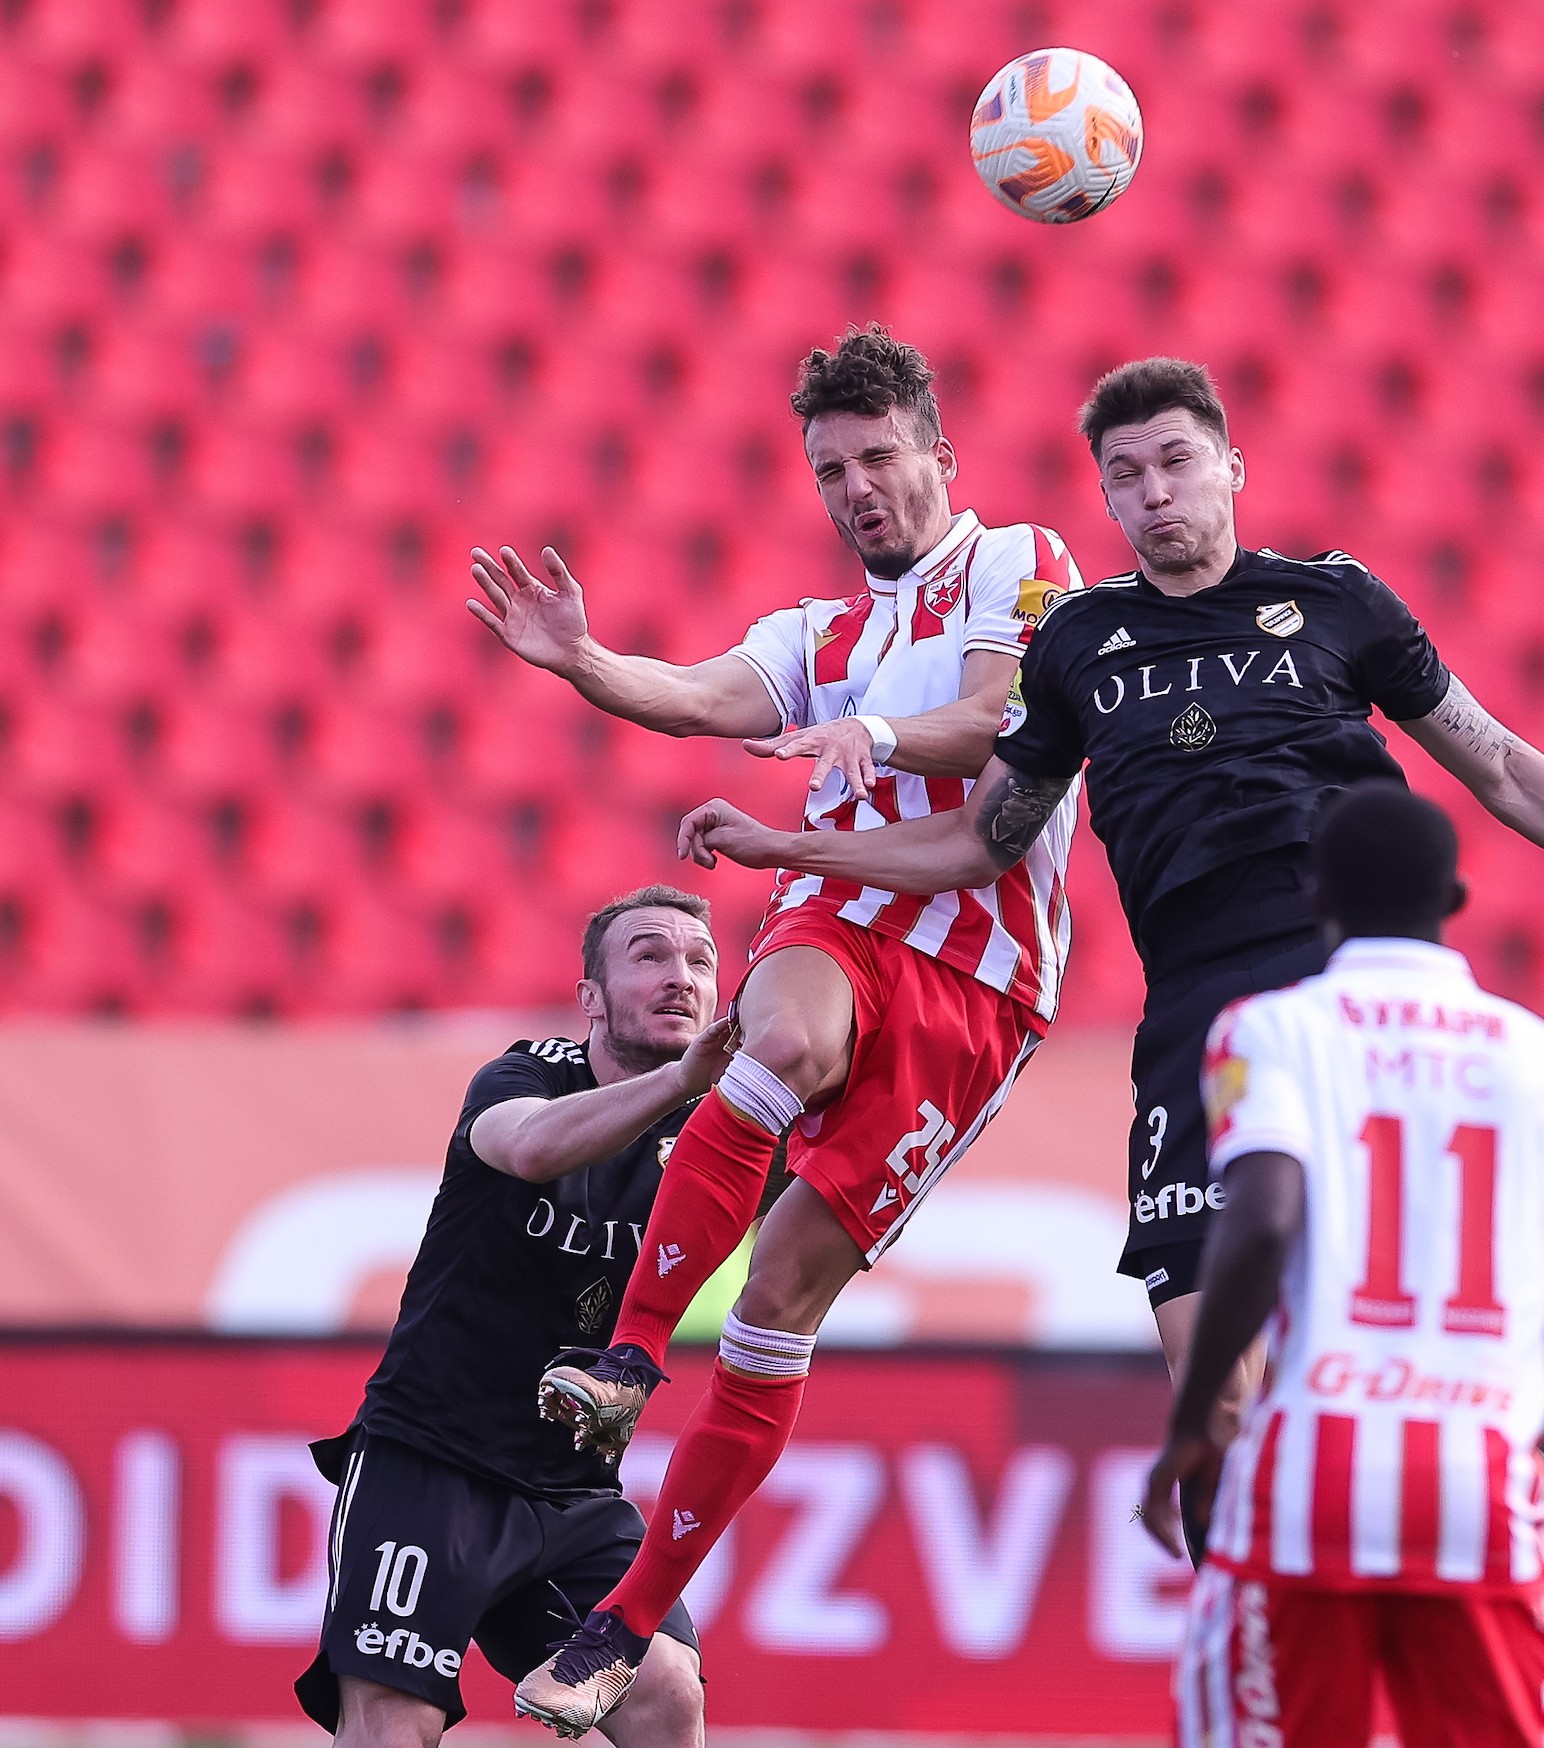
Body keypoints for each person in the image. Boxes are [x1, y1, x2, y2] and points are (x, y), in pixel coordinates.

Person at [674, 356, 1544, 1560]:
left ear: (1233, 467)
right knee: (1213, 1388)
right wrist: (788, 840)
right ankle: (1253, 1659)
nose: (1153, 493)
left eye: (1176, 462)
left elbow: (1496, 760)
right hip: (1197, 1019)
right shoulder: (1079, 641)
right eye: (1124, 476)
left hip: (1348, 989)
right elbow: (984, 841)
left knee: (1378, 1359)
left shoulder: (1338, 600)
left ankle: (1443, 1576)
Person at [468, 326, 1084, 1732]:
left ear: (938, 455)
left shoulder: (1022, 562)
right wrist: (583, 662)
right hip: (837, 919)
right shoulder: (817, 637)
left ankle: (624, 1627)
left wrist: (871, 738)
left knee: (779, 1301)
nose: (859, 488)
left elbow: (999, 721)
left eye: (879, 458)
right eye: (832, 470)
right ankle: (625, 1361)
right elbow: (694, 699)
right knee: (778, 1041)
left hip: (978, 989)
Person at [1138, 785, 1544, 1747]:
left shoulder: (1266, 1031)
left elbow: (1263, 1221)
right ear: (1456, 900)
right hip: (1477, 1479)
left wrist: (1193, 1424)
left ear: (1318, 893)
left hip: (1309, 1475)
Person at [297, 886, 733, 1748]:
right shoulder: (523, 1074)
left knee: (667, 1695)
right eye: (647, 955)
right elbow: (529, 1147)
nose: (679, 977)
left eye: (699, 961)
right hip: (430, 1463)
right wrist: (685, 1081)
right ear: (591, 1000)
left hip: (572, 1490)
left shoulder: (722, 1130)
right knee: (393, 1726)